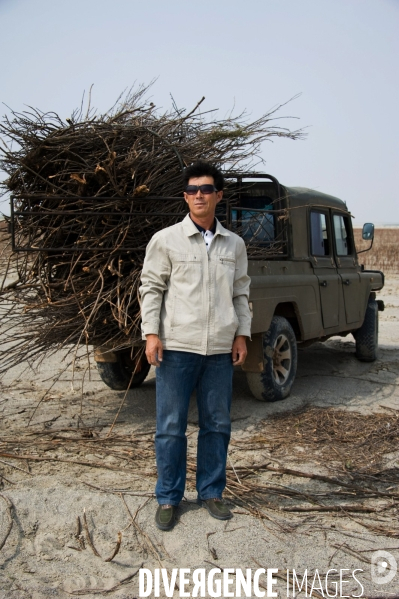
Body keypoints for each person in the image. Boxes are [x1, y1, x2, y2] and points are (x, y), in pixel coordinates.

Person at [139, 161, 251, 531]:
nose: (198, 195)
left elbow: (241, 292)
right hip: (177, 348)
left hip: (219, 350)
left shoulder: (234, 244)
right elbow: (151, 288)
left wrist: (241, 334)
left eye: (205, 189)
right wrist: (151, 333)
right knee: (170, 427)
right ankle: (169, 498)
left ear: (218, 195)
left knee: (217, 425)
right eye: (192, 190)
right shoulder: (166, 239)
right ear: (185, 197)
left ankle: (211, 493)